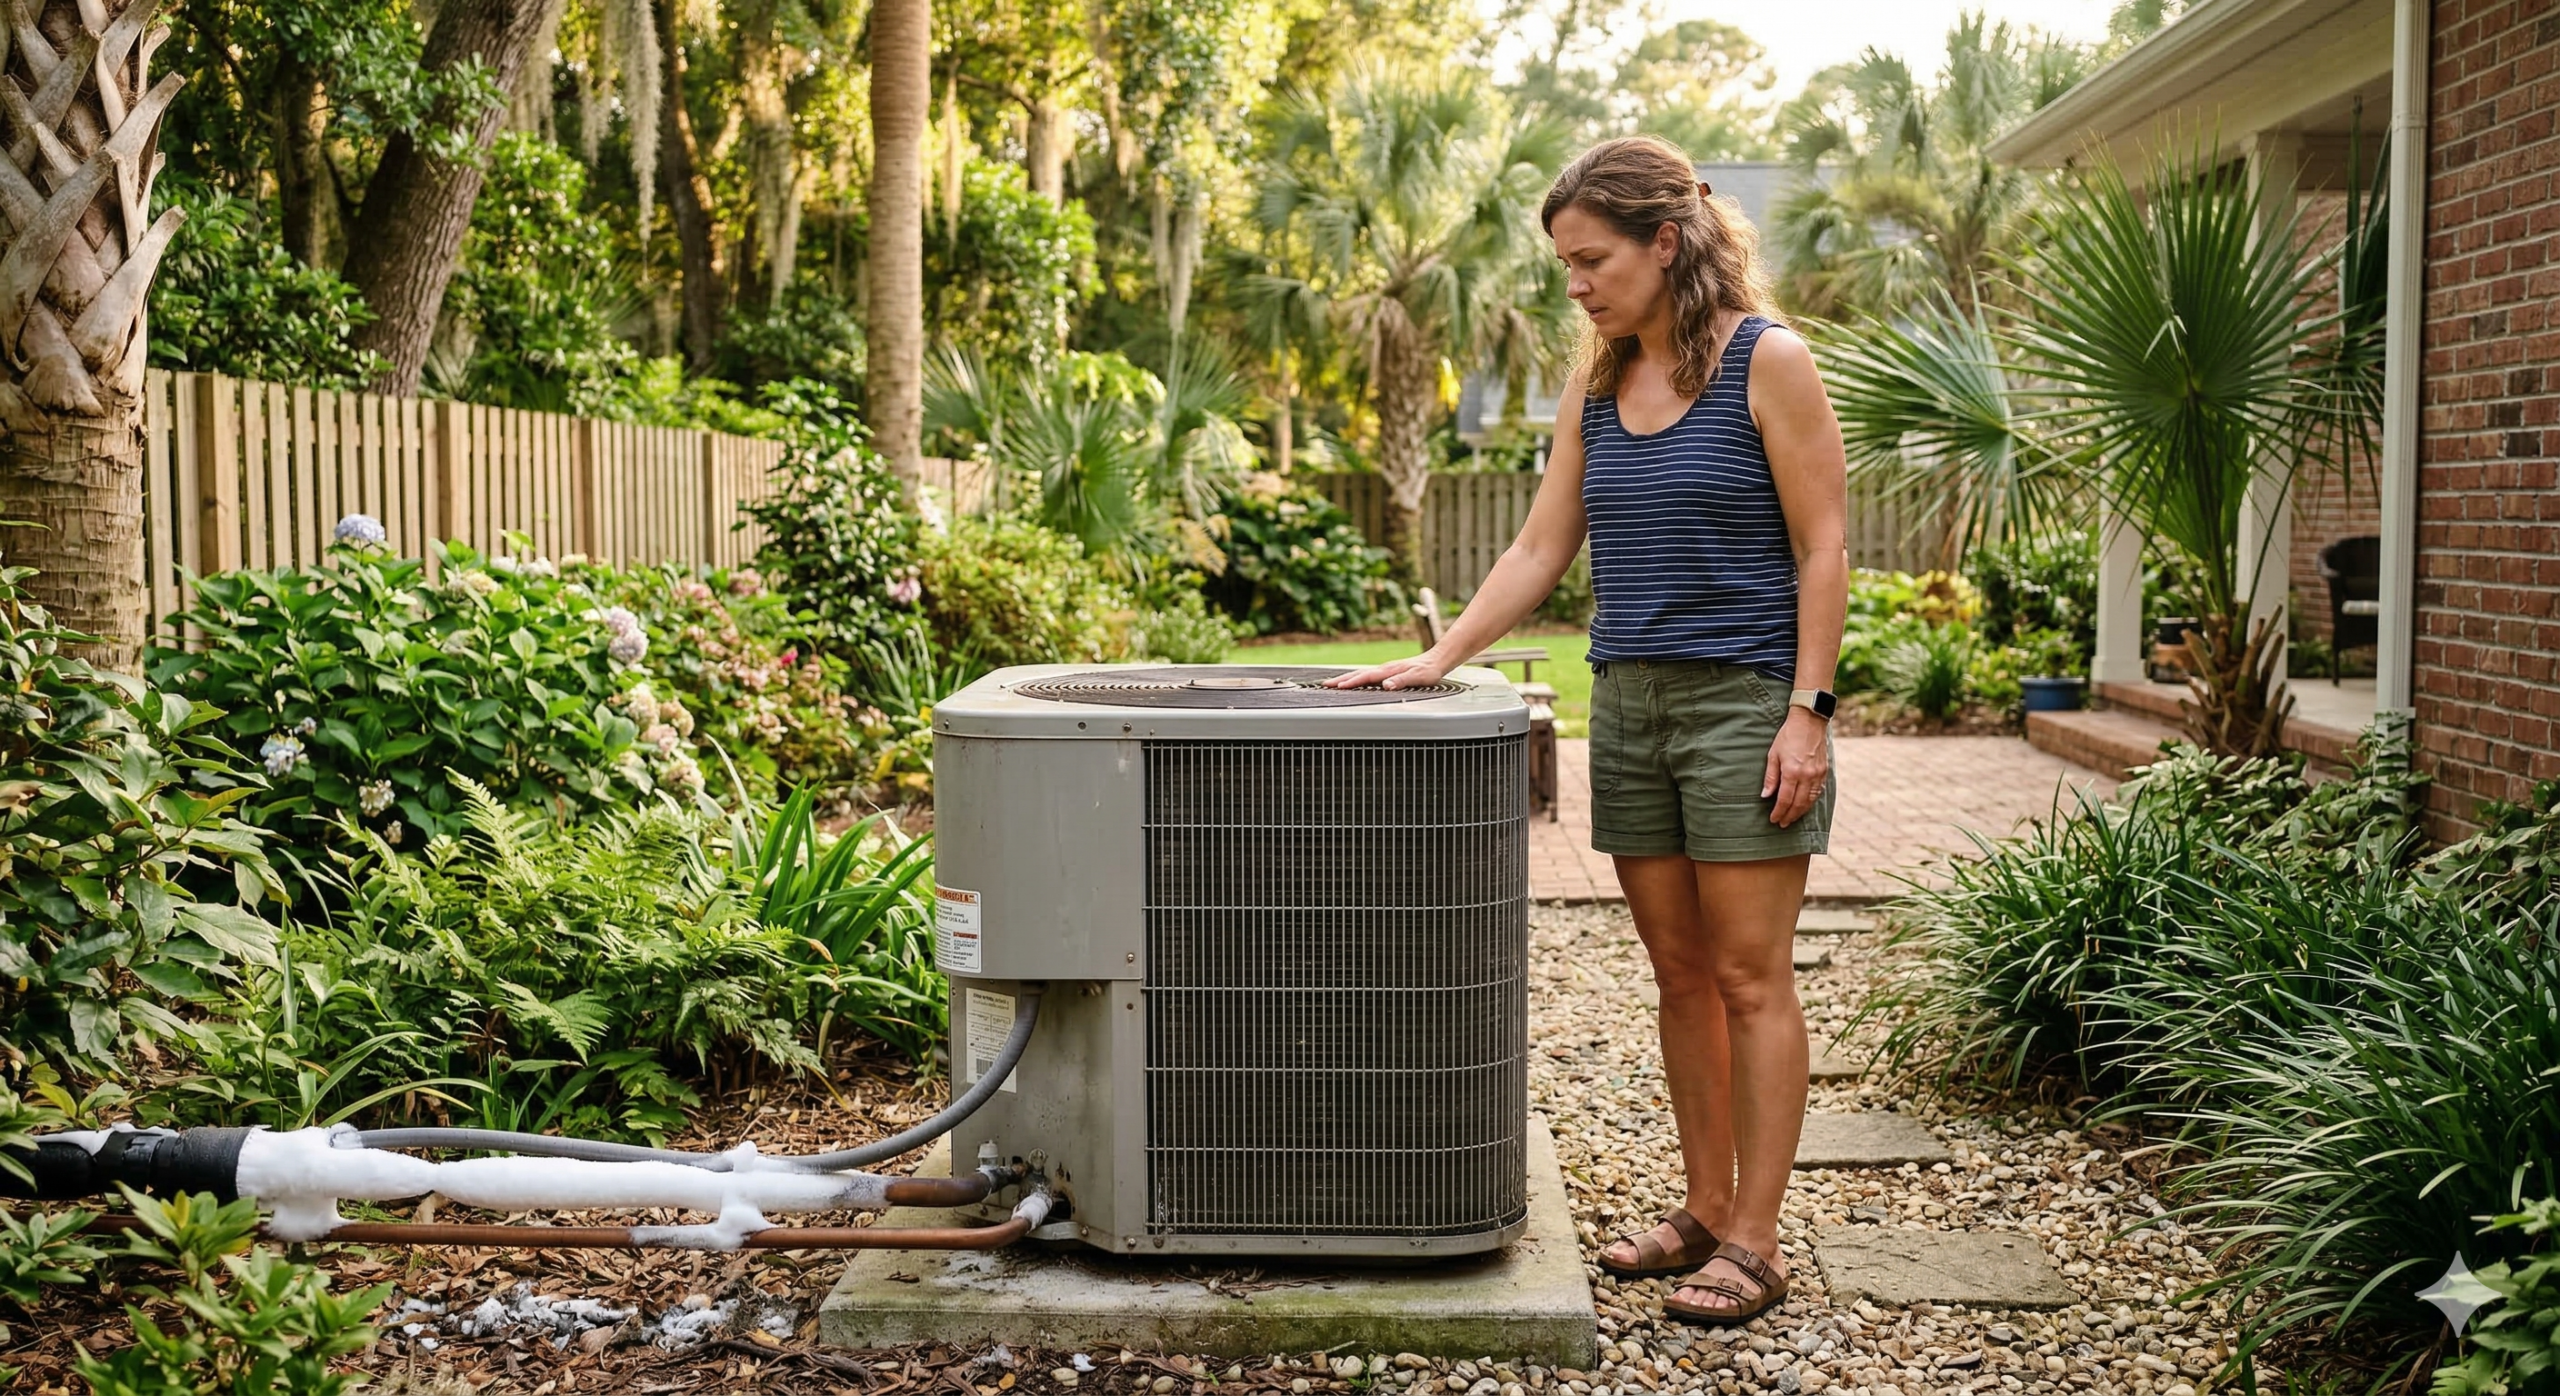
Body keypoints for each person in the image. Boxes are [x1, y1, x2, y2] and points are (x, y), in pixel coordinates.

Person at [1328, 134, 1848, 1327]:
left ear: (1667, 242)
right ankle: (1705, 1206)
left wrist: (1807, 714)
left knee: (1750, 976)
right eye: (1564, 265)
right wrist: (1441, 657)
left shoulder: (1773, 364)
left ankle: (1758, 1241)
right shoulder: (1600, 385)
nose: (1574, 284)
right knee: (1677, 971)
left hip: (1744, 698)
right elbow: (1539, 544)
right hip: (1633, 700)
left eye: (1591, 259)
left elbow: (1824, 549)